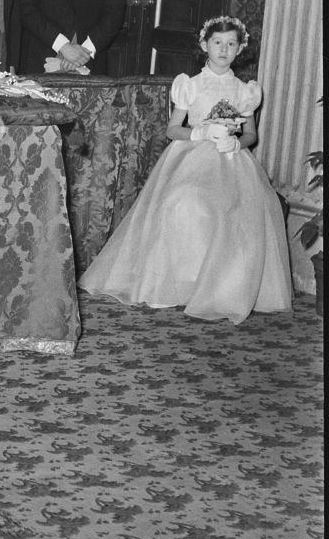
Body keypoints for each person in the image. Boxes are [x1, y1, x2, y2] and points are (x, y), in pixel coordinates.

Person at [80, 16, 292, 324]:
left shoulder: (245, 90)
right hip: (191, 156)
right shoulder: (190, 85)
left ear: (239, 50)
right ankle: (181, 281)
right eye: (218, 43)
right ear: (205, 46)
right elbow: (171, 129)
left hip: (231, 161)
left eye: (231, 44)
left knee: (236, 212)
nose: (224, 49)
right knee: (183, 202)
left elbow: (251, 134)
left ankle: (221, 288)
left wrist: (236, 144)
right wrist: (200, 134)